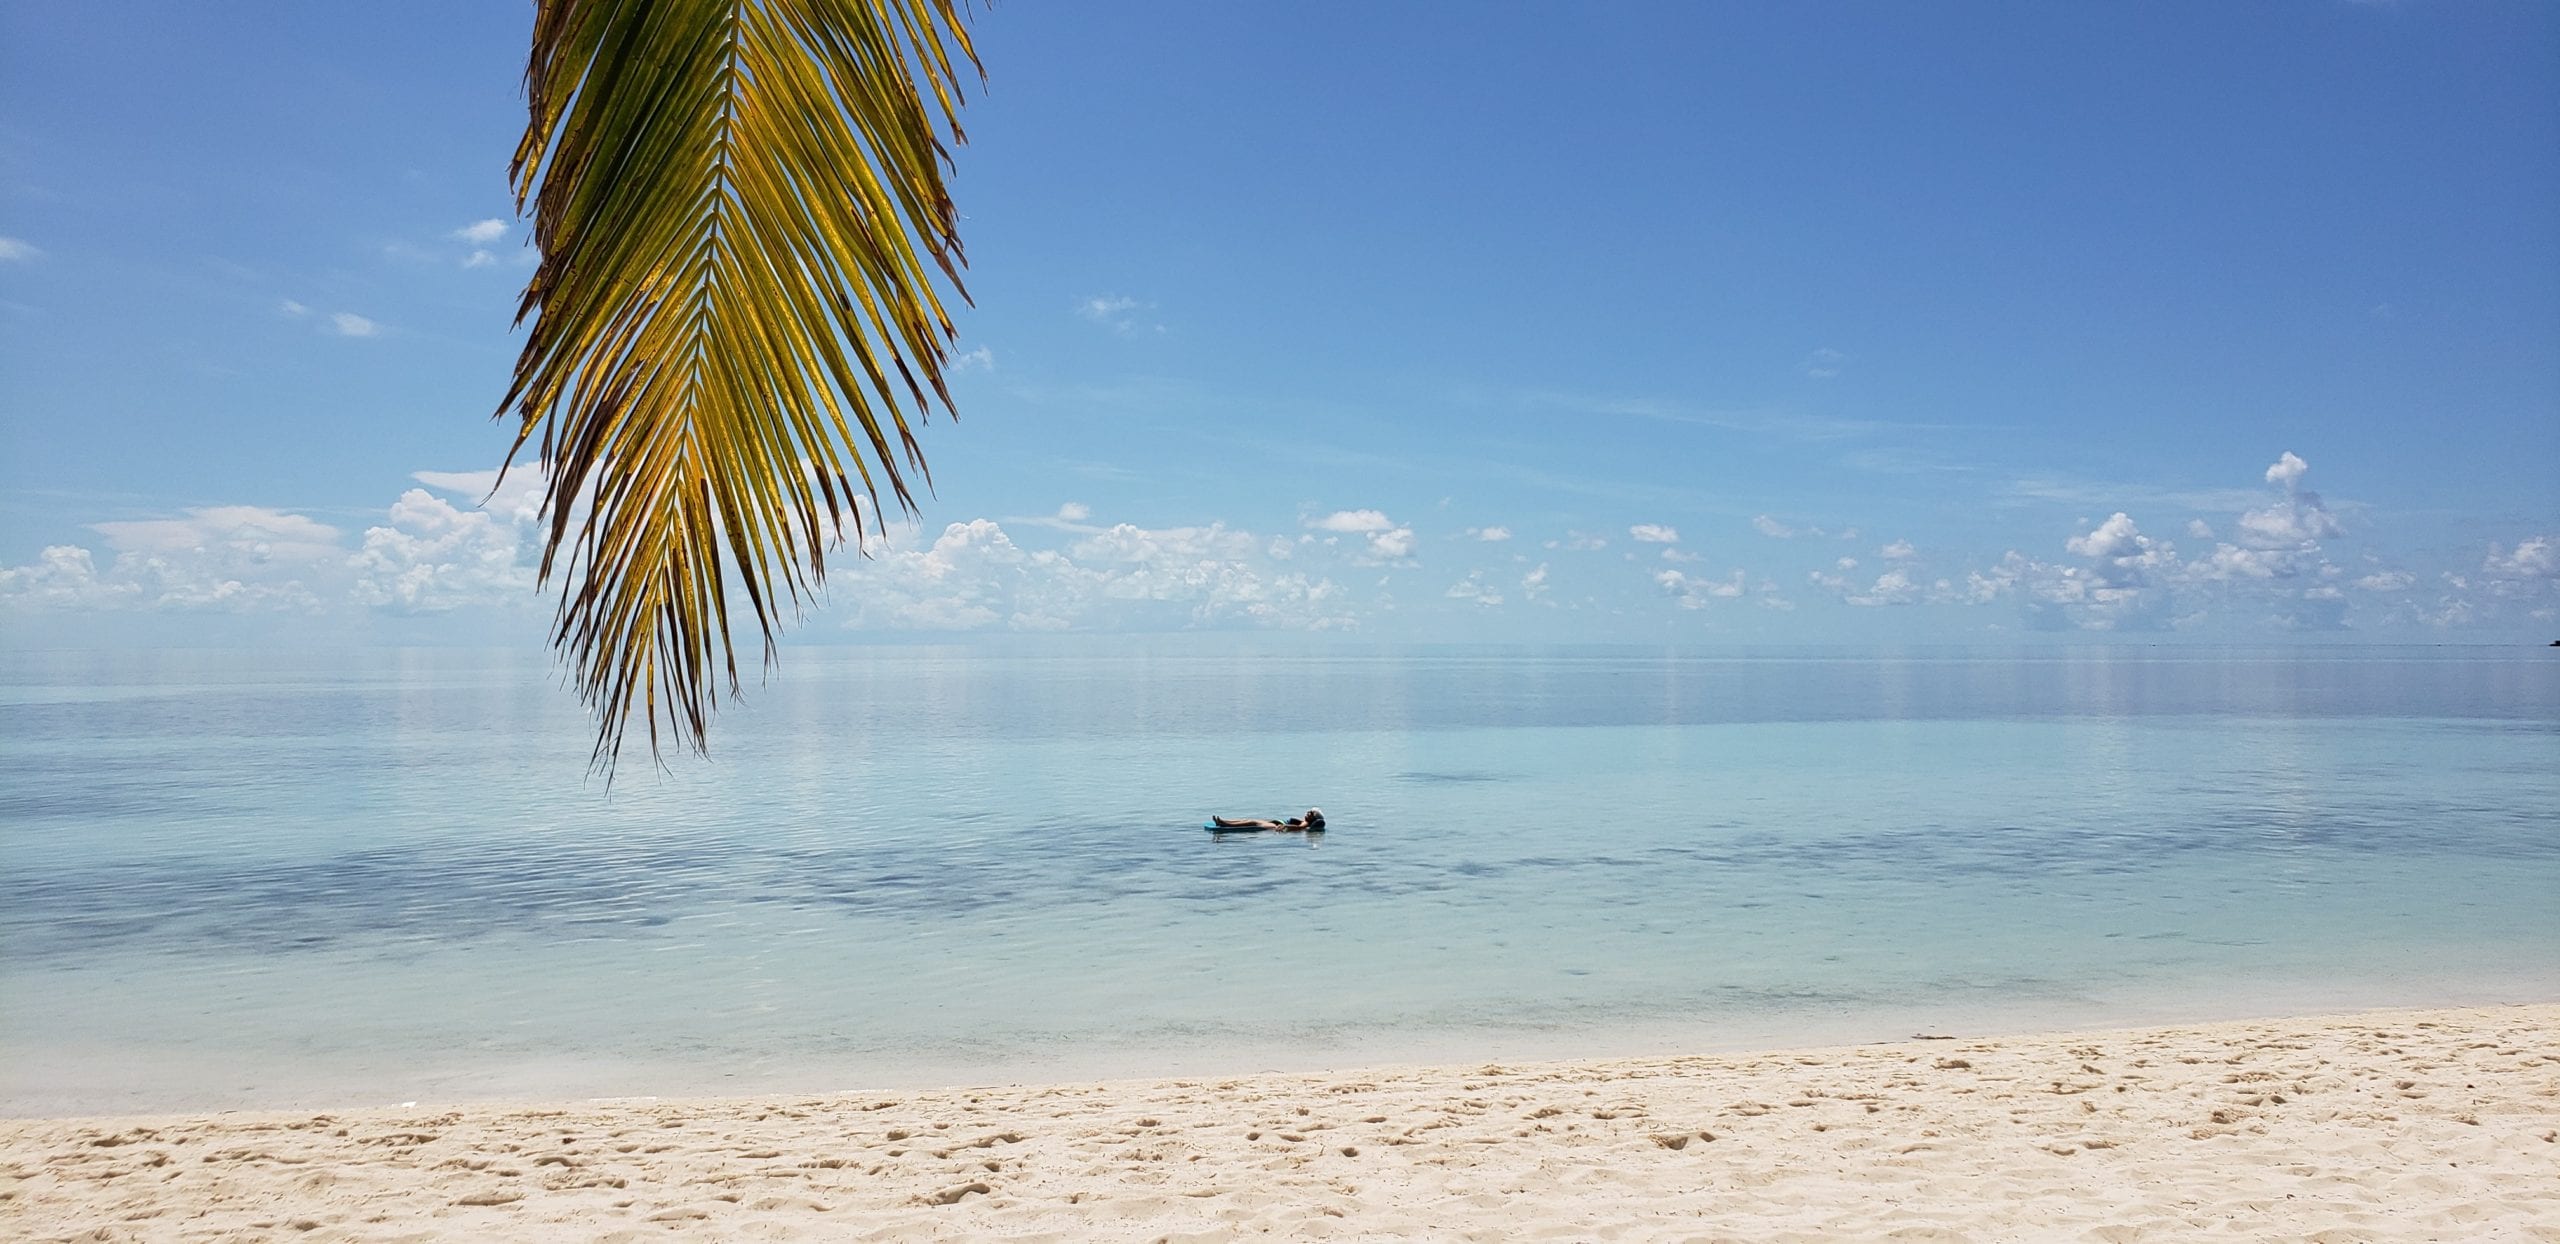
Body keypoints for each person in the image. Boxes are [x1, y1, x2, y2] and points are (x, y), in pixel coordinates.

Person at [1212, 808, 1326, 832]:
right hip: (1275, 823)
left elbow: (1299, 828)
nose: (1308, 812)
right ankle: (1224, 821)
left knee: (1253, 822)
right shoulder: (1303, 820)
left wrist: (1286, 827)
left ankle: (1224, 823)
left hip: (1276, 826)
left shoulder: (1305, 824)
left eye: (1311, 813)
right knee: (1248, 820)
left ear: (1314, 818)